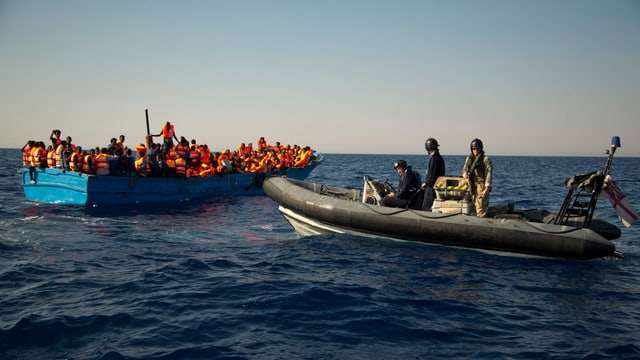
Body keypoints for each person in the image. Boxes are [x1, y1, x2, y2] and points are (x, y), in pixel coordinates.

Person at [462, 138, 492, 217]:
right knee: (471, 204)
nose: (475, 151)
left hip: (481, 185)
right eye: (474, 149)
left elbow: (488, 174)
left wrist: (487, 188)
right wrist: (466, 178)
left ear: (481, 149)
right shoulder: (469, 159)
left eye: (477, 149)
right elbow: (464, 170)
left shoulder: (485, 159)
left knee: (481, 206)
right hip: (471, 185)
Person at [422, 138, 446, 211]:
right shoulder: (439, 158)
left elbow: (432, 175)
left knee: (427, 206)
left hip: (432, 187)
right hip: (438, 185)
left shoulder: (434, 159)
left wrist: (427, 183)